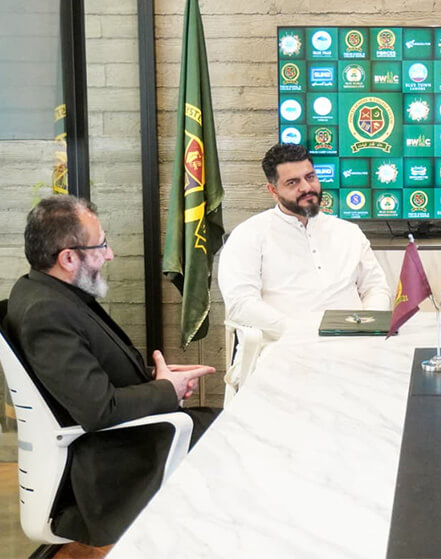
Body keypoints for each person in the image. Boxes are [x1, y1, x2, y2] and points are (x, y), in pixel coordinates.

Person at [3, 195, 220, 546]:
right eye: (101, 244)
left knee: (229, 425)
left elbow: (88, 378)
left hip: (128, 439)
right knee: (237, 443)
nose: (110, 254)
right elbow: (98, 410)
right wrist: (168, 390)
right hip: (113, 468)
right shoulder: (46, 313)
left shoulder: (49, 293)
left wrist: (157, 378)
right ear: (68, 257)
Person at [218, 143, 391, 342]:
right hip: (284, 348)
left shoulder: (349, 232)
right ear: (273, 191)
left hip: (353, 344)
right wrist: (301, 333)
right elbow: (241, 304)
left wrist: (368, 326)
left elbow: (376, 287)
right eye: (292, 182)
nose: (307, 188)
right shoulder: (248, 235)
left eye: (310, 177)